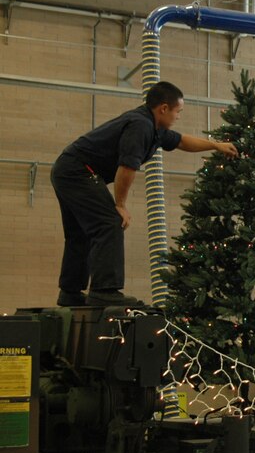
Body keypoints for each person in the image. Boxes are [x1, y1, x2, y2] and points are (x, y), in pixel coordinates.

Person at [51, 81, 238, 307]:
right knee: (110, 222)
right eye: (178, 111)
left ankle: (69, 292)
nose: (179, 116)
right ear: (163, 108)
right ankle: (104, 290)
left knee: (80, 233)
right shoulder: (141, 126)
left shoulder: (155, 128)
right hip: (77, 171)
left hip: (67, 169)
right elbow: (127, 168)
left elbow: (181, 141)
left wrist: (216, 145)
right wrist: (120, 205)